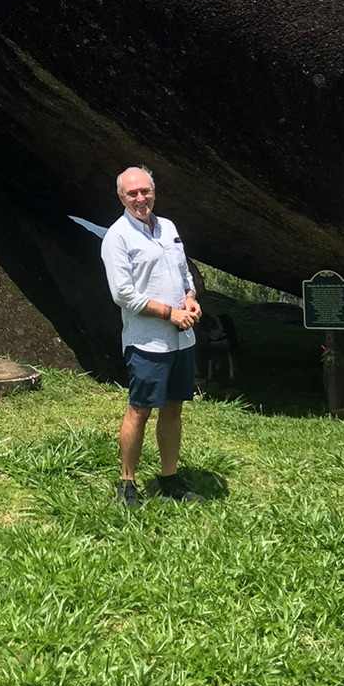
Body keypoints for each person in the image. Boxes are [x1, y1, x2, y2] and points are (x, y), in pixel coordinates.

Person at [99, 165, 200, 504]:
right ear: (121, 197)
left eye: (145, 191)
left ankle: (168, 480)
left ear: (154, 191)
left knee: (174, 409)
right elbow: (123, 295)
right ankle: (126, 483)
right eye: (133, 193)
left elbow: (185, 273)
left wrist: (190, 300)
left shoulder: (168, 227)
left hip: (181, 339)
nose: (140, 198)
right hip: (147, 341)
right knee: (139, 410)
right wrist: (169, 312)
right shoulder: (117, 237)